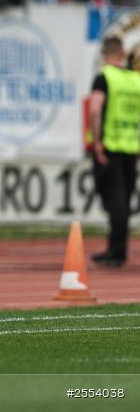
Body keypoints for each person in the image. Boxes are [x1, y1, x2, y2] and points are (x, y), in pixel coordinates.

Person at [87, 36, 140, 268]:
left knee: (113, 199)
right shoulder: (134, 80)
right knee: (125, 200)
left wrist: (96, 141)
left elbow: (95, 109)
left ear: (105, 54)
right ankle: (115, 248)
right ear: (122, 53)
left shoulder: (104, 77)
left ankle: (117, 252)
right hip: (132, 147)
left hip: (110, 146)